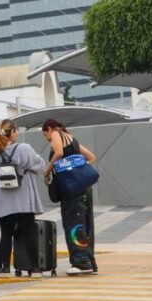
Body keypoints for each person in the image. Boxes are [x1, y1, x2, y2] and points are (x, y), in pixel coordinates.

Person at [0, 119, 46, 277]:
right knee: (29, 231)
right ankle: (34, 268)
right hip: (24, 196)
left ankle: (5, 268)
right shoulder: (24, 148)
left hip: (4, 199)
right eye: (16, 130)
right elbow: (40, 165)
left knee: (6, 233)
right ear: (11, 132)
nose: (17, 133)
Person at [42, 118, 98, 276]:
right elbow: (91, 157)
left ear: (49, 128)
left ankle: (80, 263)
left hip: (71, 190)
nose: (47, 137)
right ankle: (89, 262)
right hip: (84, 188)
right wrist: (79, 170)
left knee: (72, 223)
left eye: (45, 133)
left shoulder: (56, 134)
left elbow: (59, 153)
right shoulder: (71, 139)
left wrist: (47, 170)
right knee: (86, 223)